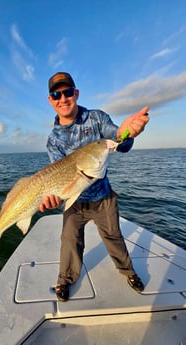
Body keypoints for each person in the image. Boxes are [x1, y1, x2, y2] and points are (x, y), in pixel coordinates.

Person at [39, 72, 149, 302]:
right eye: (56, 94)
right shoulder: (53, 139)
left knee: (114, 236)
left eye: (68, 92)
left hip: (102, 197)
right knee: (69, 241)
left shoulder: (96, 119)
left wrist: (126, 133)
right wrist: (53, 198)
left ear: (76, 93)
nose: (63, 98)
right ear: (51, 100)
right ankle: (66, 279)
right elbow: (57, 178)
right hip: (74, 201)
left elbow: (118, 139)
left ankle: (128, 272)